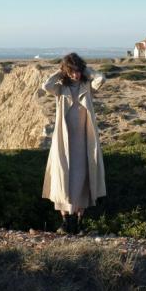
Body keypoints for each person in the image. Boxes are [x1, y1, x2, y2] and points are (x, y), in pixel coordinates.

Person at [39, 52, 107, 235]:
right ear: (66, 71)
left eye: (78, 71)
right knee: (62, 179)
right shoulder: (60, 88)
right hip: (63, 140)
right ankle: (66, 222)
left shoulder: (87, 85)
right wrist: (60, 72)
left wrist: (87, 70)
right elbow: (46, 85)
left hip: (84, 140)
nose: (75, 75)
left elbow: (102, 79)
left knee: (82, 180)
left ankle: (78, 221)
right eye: (72, 71)